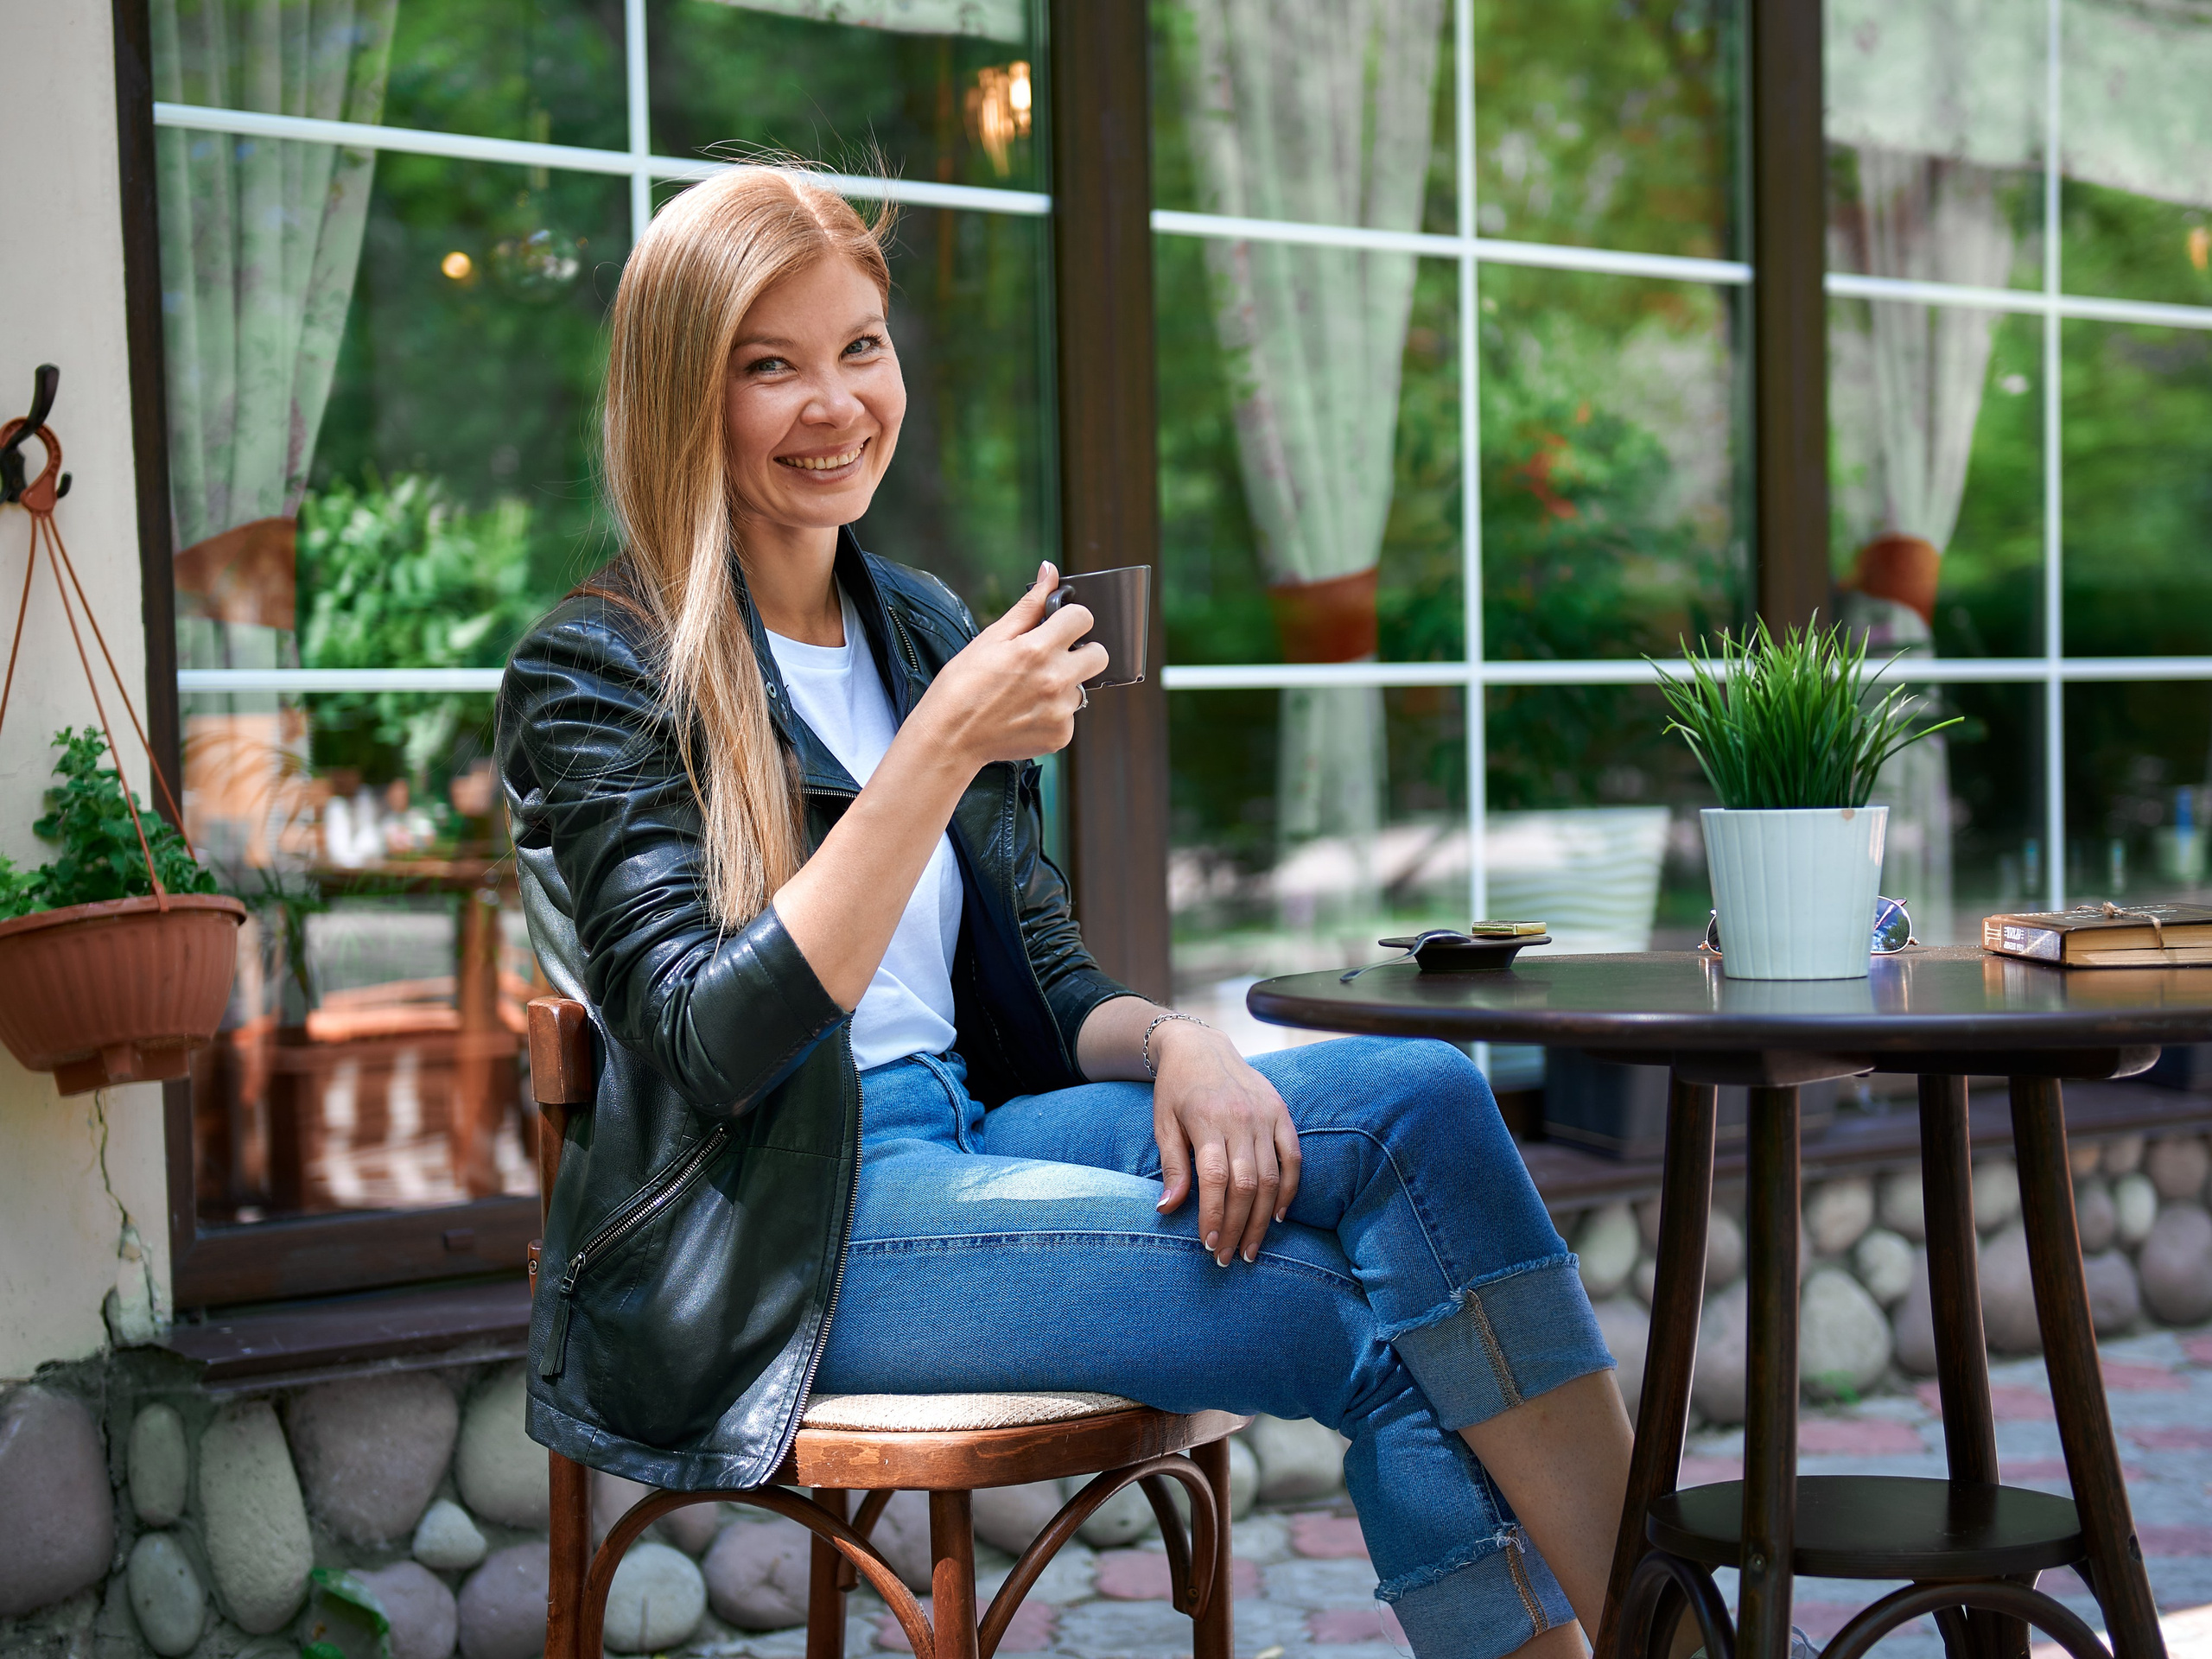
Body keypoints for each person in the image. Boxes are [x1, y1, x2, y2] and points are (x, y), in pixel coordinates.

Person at [497, 163, 1633, 1659]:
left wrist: (1176, 1047)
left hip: (972, 1129)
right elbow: (713, 1044)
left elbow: (1038, 968)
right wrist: (940, 747)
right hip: (787, 1239)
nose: (836, 404)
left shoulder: (917, 625)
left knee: (1423, 1101)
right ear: (682, 396)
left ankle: (1665, 1631)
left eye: (861, 346)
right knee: (1356, 1319)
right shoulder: (597, 672)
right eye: (770, 366)